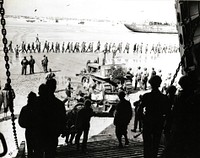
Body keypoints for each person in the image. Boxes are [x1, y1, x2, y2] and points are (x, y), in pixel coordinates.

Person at [34, 79, 66, 158]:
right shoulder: (59, 104)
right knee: (50, 154)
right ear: (55, 88)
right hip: (52, 135)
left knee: (38, 154)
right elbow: (63, 120)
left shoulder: (36, 102)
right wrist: (62, 131)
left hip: (39, 134)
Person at [140, 75, 170, 158]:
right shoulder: (164, 98)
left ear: (150, 84)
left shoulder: (146, 96)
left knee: (147, 143)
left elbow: (140, 109)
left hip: (148, 121)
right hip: (158, 122)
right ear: (159, 84)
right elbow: (168, 113)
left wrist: (143, 118)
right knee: (156, 143)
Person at [18, 91, 37, 158]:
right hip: (38, 132)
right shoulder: (39, 109)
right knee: (38, 150)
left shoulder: (24, 109)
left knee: (30, 150)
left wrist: (28, 125)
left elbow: (20, 122)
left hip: (29, 132)